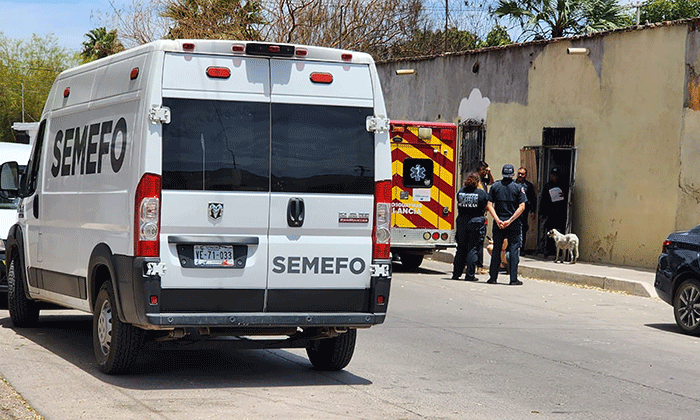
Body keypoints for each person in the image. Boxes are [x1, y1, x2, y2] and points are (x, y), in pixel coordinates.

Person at [486, 164, 526, 285]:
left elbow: (489, 205)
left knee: (497, 249)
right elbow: (522, 207)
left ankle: (493, 277)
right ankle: (513, 278)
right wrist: (510, 220)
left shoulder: (495, 186)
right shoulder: (518, 187)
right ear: (513, 174)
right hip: (513, 224)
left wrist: (497, 220)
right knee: (513, 250)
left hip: (499, 224)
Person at [452, 172, 489, 281]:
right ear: (478, 182)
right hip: (476, 223)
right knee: (472, 249)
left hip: (462, 222)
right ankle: (470, 275)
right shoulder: (481, 193)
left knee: (461, 248)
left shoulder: (461, 192)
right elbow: (487, 205)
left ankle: (456, 273)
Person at [539, 167, 568, 257]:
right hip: (550, 213)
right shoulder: (548, 186)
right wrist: (542, 213)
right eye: (553, 175)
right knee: (550, 232)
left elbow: (569, 198)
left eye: (556, 175)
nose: (555, 177)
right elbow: (543, 200)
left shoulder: (563, 186)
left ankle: (560, 252)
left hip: (560, 213)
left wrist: (565, 195)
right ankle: (548, 250)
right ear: (551, 176)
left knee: (560, 232)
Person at [475, 161, 493, 273]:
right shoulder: (475, 181)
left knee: (479, 242)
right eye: (485, 170)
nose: (486, 172)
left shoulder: (484, 181)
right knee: (477, 242)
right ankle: (477, 266)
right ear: (481, 170)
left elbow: (492, 182)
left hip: (482, 214)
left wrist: (490, 173)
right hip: (477, 214)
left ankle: (478, 265)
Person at [515, 167, 537, 253]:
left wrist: (533, 211)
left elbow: (533, 199)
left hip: (524, 211)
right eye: (519, 173)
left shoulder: (528, 186)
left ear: (525, 175)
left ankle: (521, 248)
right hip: (513, 210)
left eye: (522, 174)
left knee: (523, 229)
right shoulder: (513, 184)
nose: (520, 175)